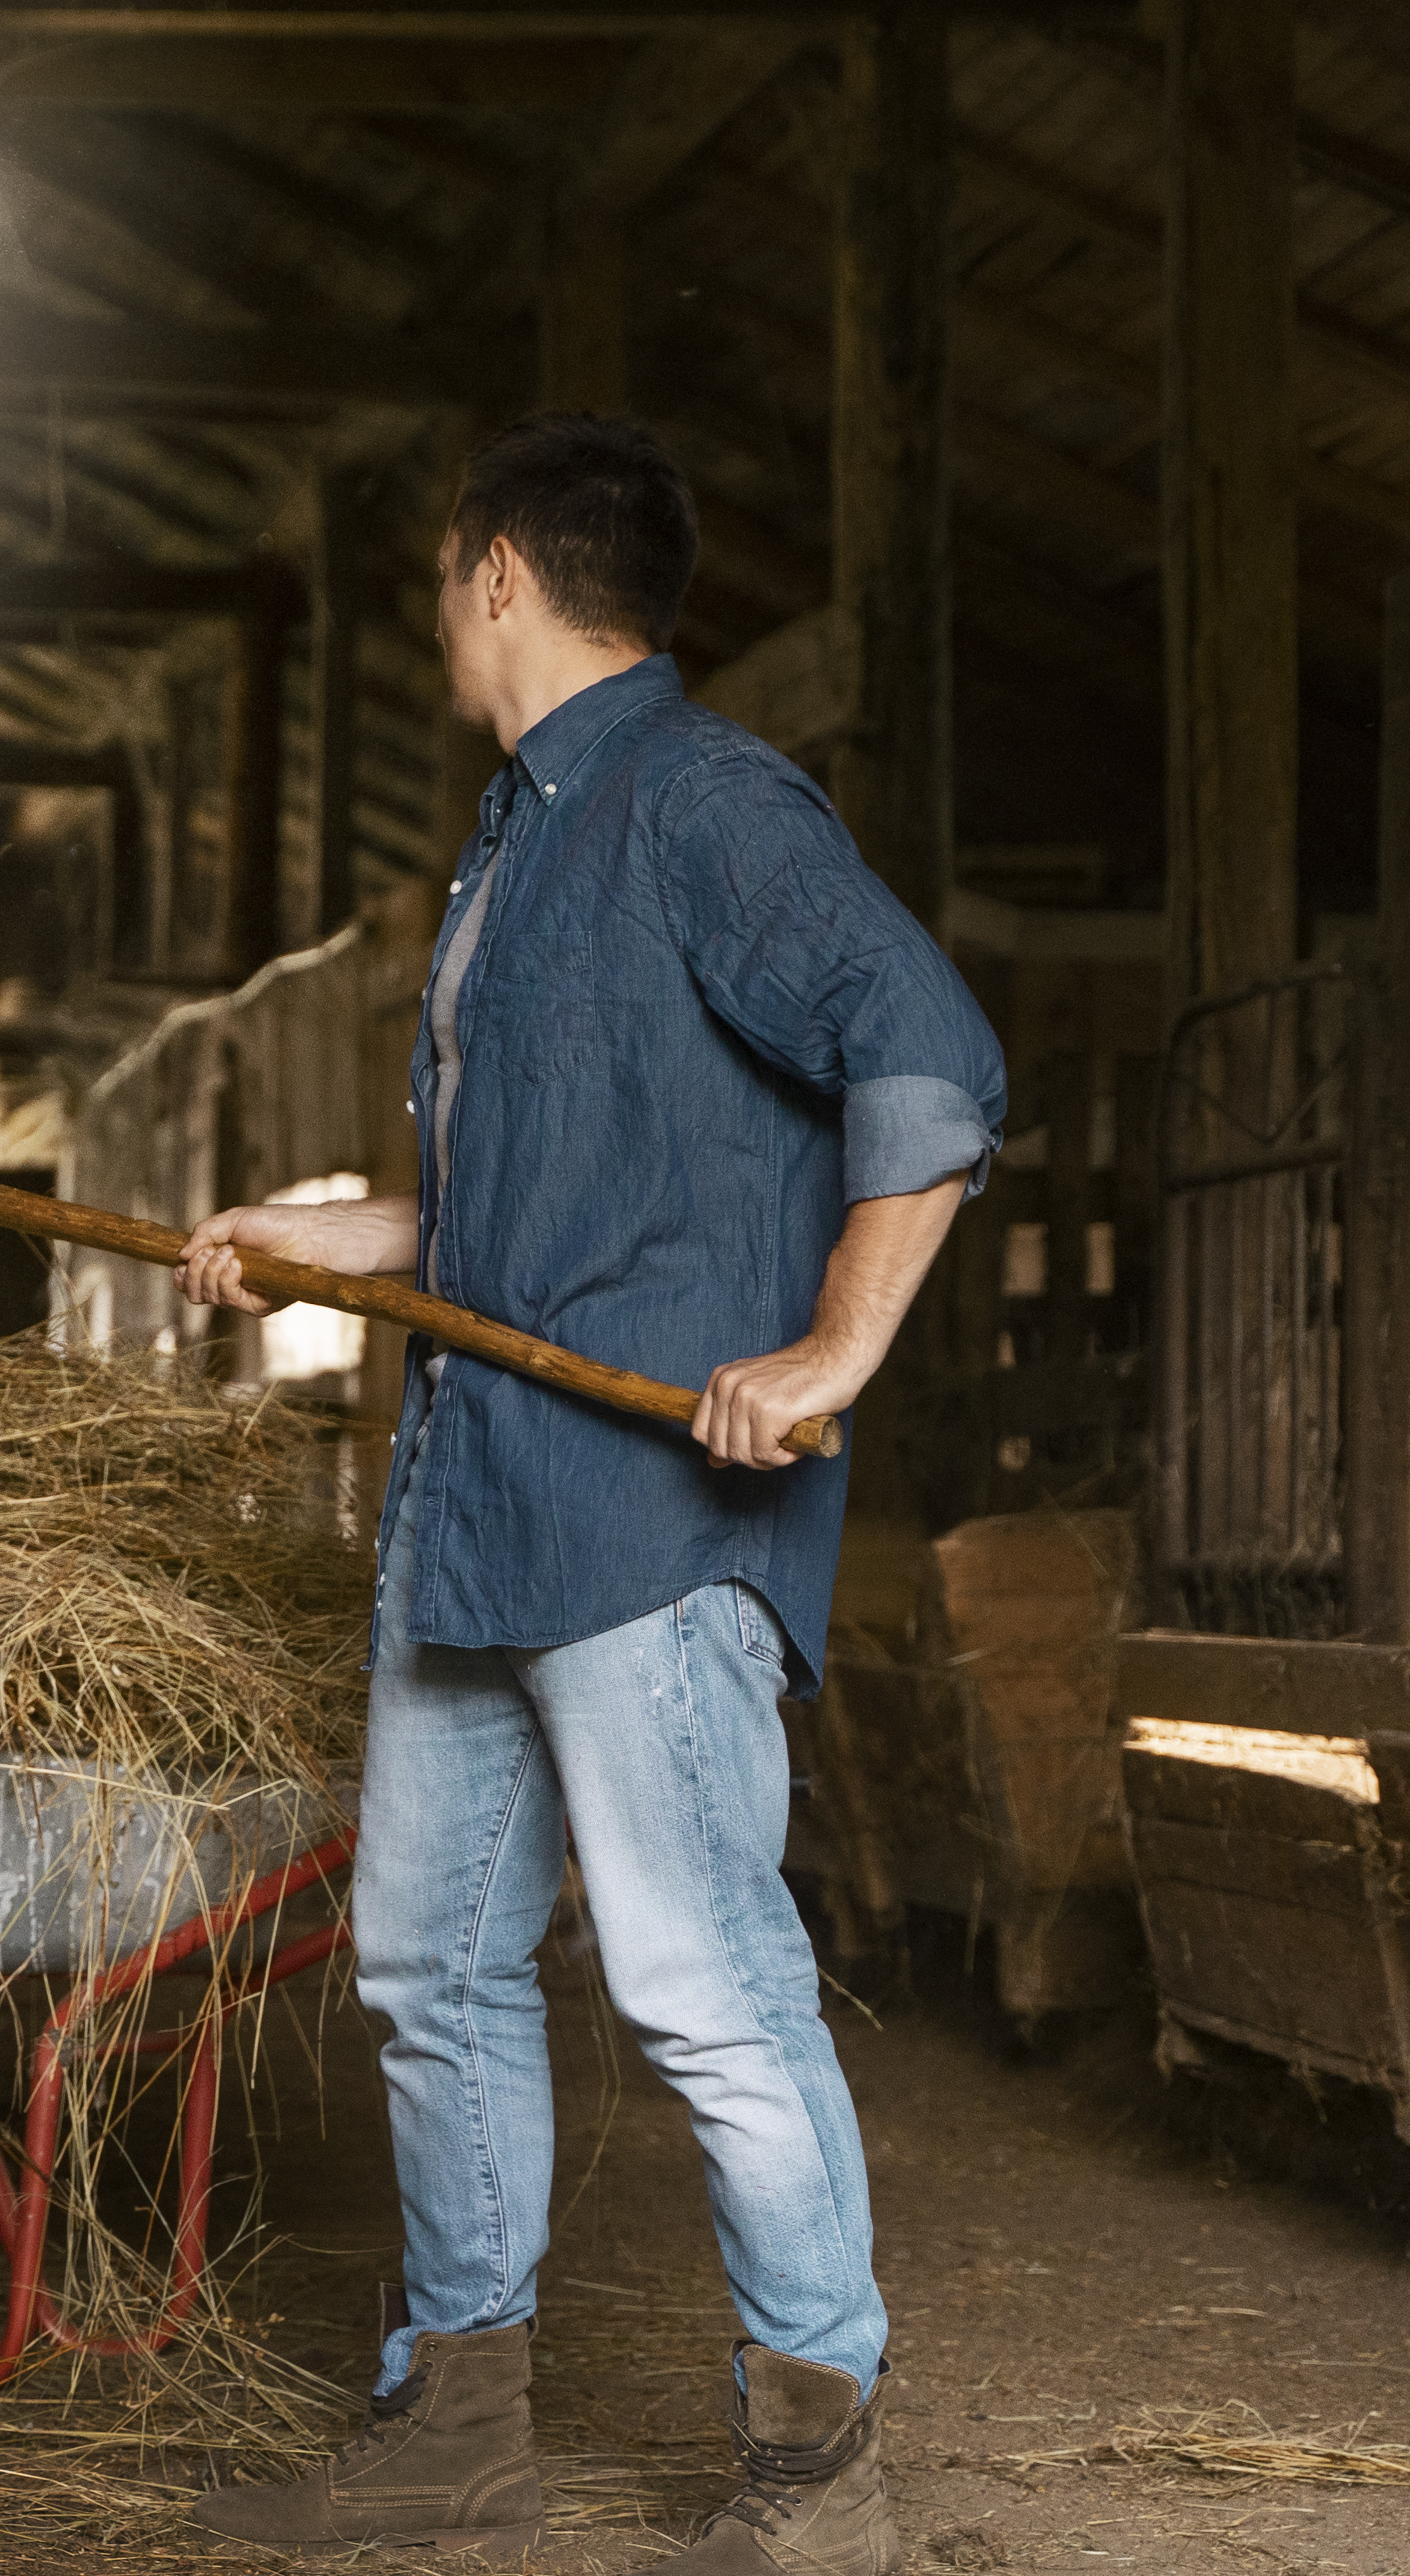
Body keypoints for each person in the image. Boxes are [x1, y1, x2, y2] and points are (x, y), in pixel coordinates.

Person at [172, 414, 1002, 2576]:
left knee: (701, 1982)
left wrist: (830, 1351)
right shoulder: (515, 838)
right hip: (477, 1506)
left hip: (641, 1530)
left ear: (496, 577)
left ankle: (821, 2472)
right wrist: (324, 1231)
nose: (443, 615)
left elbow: (926, 1054)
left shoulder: (697, 804)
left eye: (446, 584)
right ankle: (456, 2426)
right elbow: (500, 1212)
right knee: (424, 1973)